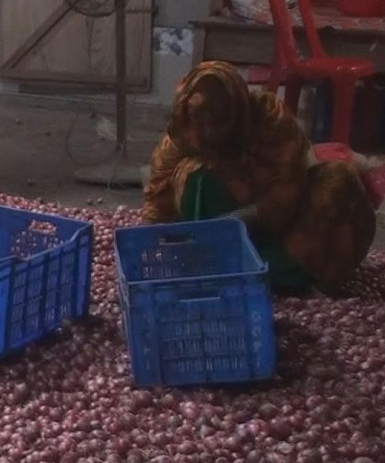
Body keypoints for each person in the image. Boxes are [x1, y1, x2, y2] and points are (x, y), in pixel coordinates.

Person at [143, 61, 376, 293]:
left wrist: (242, 217)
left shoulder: (271, 119)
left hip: (277, 226)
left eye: (217, 123)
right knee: (194, 174)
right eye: (202, 124)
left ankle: (287, 271)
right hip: (215, 236)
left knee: (339, 181)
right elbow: (158, 200)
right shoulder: (182, 135)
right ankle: (219, 264)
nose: (209, 132)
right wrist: (150, 251)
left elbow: (288, 188)